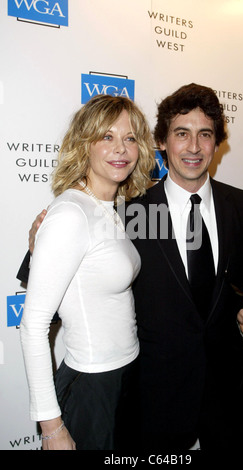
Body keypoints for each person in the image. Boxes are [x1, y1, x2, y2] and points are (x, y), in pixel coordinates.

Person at [18, 84, 243, 451]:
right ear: (162, 142)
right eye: (182, 134)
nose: (194, 147)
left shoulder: (242, 205)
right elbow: (64, 277)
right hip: (154, 399)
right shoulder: (131, 208)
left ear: (218, 142)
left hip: (227, 392)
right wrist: (34, 244)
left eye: (205, 135)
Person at [19, 94, 155, 450]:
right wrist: (51, 429)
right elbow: (33, 326)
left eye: (129, 138)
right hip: (91, 388)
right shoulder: (71, 213)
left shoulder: (109, 207)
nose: (121, 148)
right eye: (107, 137)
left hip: (124, 374)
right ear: (84, 144)